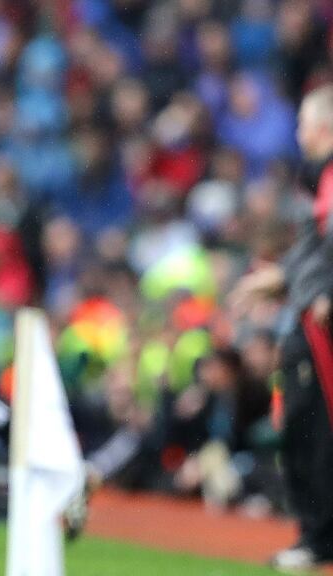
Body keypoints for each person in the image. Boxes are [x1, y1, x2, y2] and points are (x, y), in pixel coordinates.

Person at [232, 84, 333, 573]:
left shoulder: (329, 175)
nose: (296, 134)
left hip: (319, 324)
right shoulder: (317, 180)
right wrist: (281, 278)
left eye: (302, 124)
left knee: (305, 427)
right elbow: (315, 248)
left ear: (321, 128)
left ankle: (318, 539)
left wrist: (324, 291)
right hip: (310, 311)